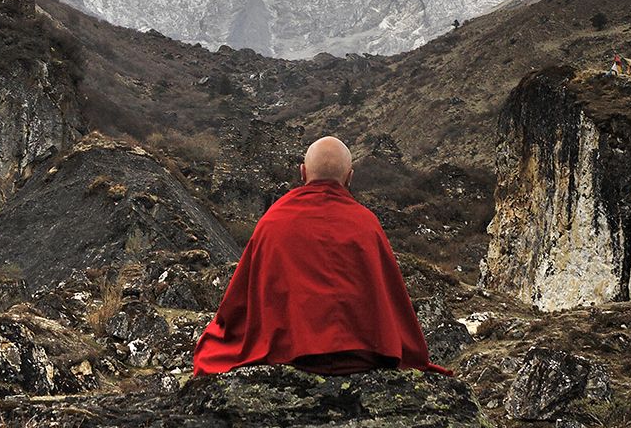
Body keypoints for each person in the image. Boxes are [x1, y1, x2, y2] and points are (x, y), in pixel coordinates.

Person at [192, 136, 447, 376]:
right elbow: (393, 301)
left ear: (302, 172)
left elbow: (238, 302)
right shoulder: (367, 224)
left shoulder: (274, 220)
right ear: (349, 178)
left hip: (291, 352)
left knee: (213, 344)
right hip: (362, 355)